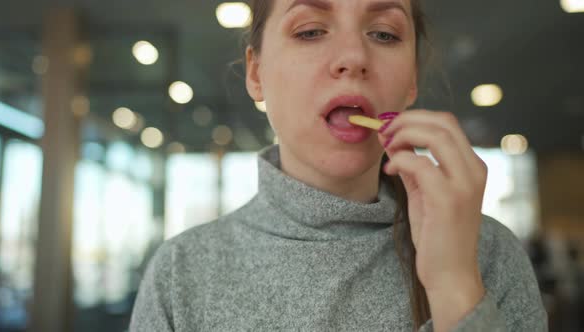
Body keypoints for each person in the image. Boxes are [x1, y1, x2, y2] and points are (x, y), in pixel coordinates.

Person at [130, 0, 548, 331]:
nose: (353, 57)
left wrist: (455, 288)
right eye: (310, 31)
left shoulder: (489, 256)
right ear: (256, 72)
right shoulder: (181, 273)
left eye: (384, 33)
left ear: (412, 82)